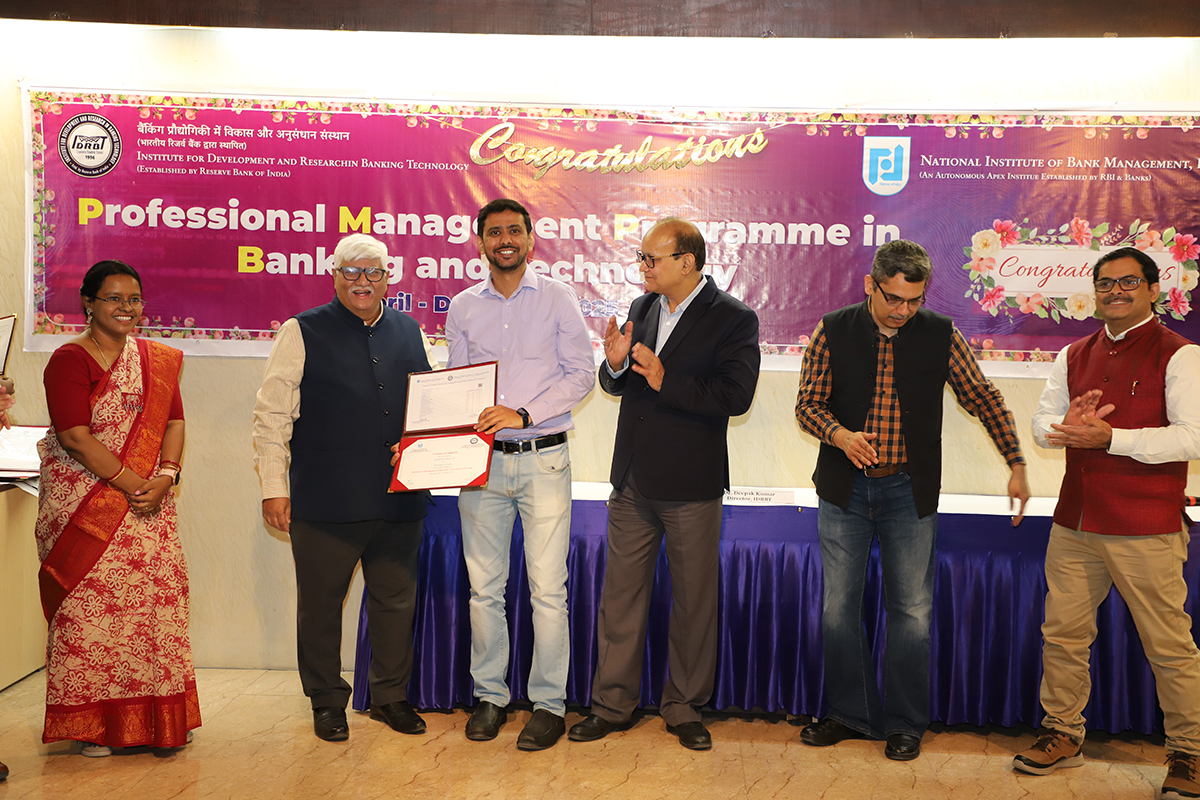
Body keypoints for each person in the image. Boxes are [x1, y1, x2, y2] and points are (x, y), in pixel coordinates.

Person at [795, 239, 1030, 761]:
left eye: (914, 300)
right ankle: (850, 713)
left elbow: (982, 397)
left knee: (912, 612)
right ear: (870, 285)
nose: (904, 310)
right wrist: (840, 435)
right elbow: (807, 404)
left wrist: (1016, 462)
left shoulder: (941, 334)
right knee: (837, 610)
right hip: (844, 489)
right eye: (894, 298)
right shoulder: (832, 329)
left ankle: (905, 723)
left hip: (908, 489)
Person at [568, 216, 760, 751]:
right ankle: (612, 705)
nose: (644, 268)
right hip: (633, 479)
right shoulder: (642, 307)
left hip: (691, 484)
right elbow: (620, 383)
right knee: (620, 599)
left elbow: (736, 396)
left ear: (687, 262)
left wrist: (663, 379)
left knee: (694, 603)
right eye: (642, 258)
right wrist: (613, 367)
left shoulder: (734, 317)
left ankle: (685, 707)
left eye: (652, 259)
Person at [1014, 246, 1200, 798]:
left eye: (1128, 282)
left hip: (1146, 525)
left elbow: (1193, 437)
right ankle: (1062, 732)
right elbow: (1043, 422)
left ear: (1153, 290)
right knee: (1063, 636)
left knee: (1169, 645)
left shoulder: (1180, 354)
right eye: (1105, 283)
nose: (1115, 291)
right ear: (1093, 291)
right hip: (1074, 522)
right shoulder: (1073, 353)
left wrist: (1112, 438)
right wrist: (1062, 427)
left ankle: (1189, 753)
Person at [253, 233, 437, 742]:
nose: (362, 281)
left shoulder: (411, 330)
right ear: (333, 274)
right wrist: (273, 486)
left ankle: (390, 697)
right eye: (351, 271)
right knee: (320, 607)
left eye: (373, 272)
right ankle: (327, 701)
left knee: (395, 604)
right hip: (325, 501)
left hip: (399, 499)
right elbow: (271, 415)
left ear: (388, 278)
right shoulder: (301, 330)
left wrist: (423, 444)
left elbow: (430, 406)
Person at [442, 198, 593, 751]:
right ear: (480, 241)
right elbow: (456, 384)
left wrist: (523, 414)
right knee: (485, 590)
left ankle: (549, 705)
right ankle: (490, 697)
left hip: (543, 457)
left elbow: (582, 375)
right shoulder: (463, 306)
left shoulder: (558, 297)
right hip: (481, 464)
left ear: (530, 239)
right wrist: (425, 443)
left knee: (547, 590)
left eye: (513, 231)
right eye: (493, 232)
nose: (504, 240)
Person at [36, 259, 198, 757]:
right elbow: (74, 437)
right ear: (88, 303)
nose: (126, 308)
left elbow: (174, 422)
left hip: (149, 506)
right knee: (88, 618)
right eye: (113, 299)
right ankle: (93, 727)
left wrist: (166, 476)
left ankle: (157, 720)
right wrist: (133, 484)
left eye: (134, 299)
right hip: (85, 507)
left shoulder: (156, 360)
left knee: (154, 611)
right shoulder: (69, 360)